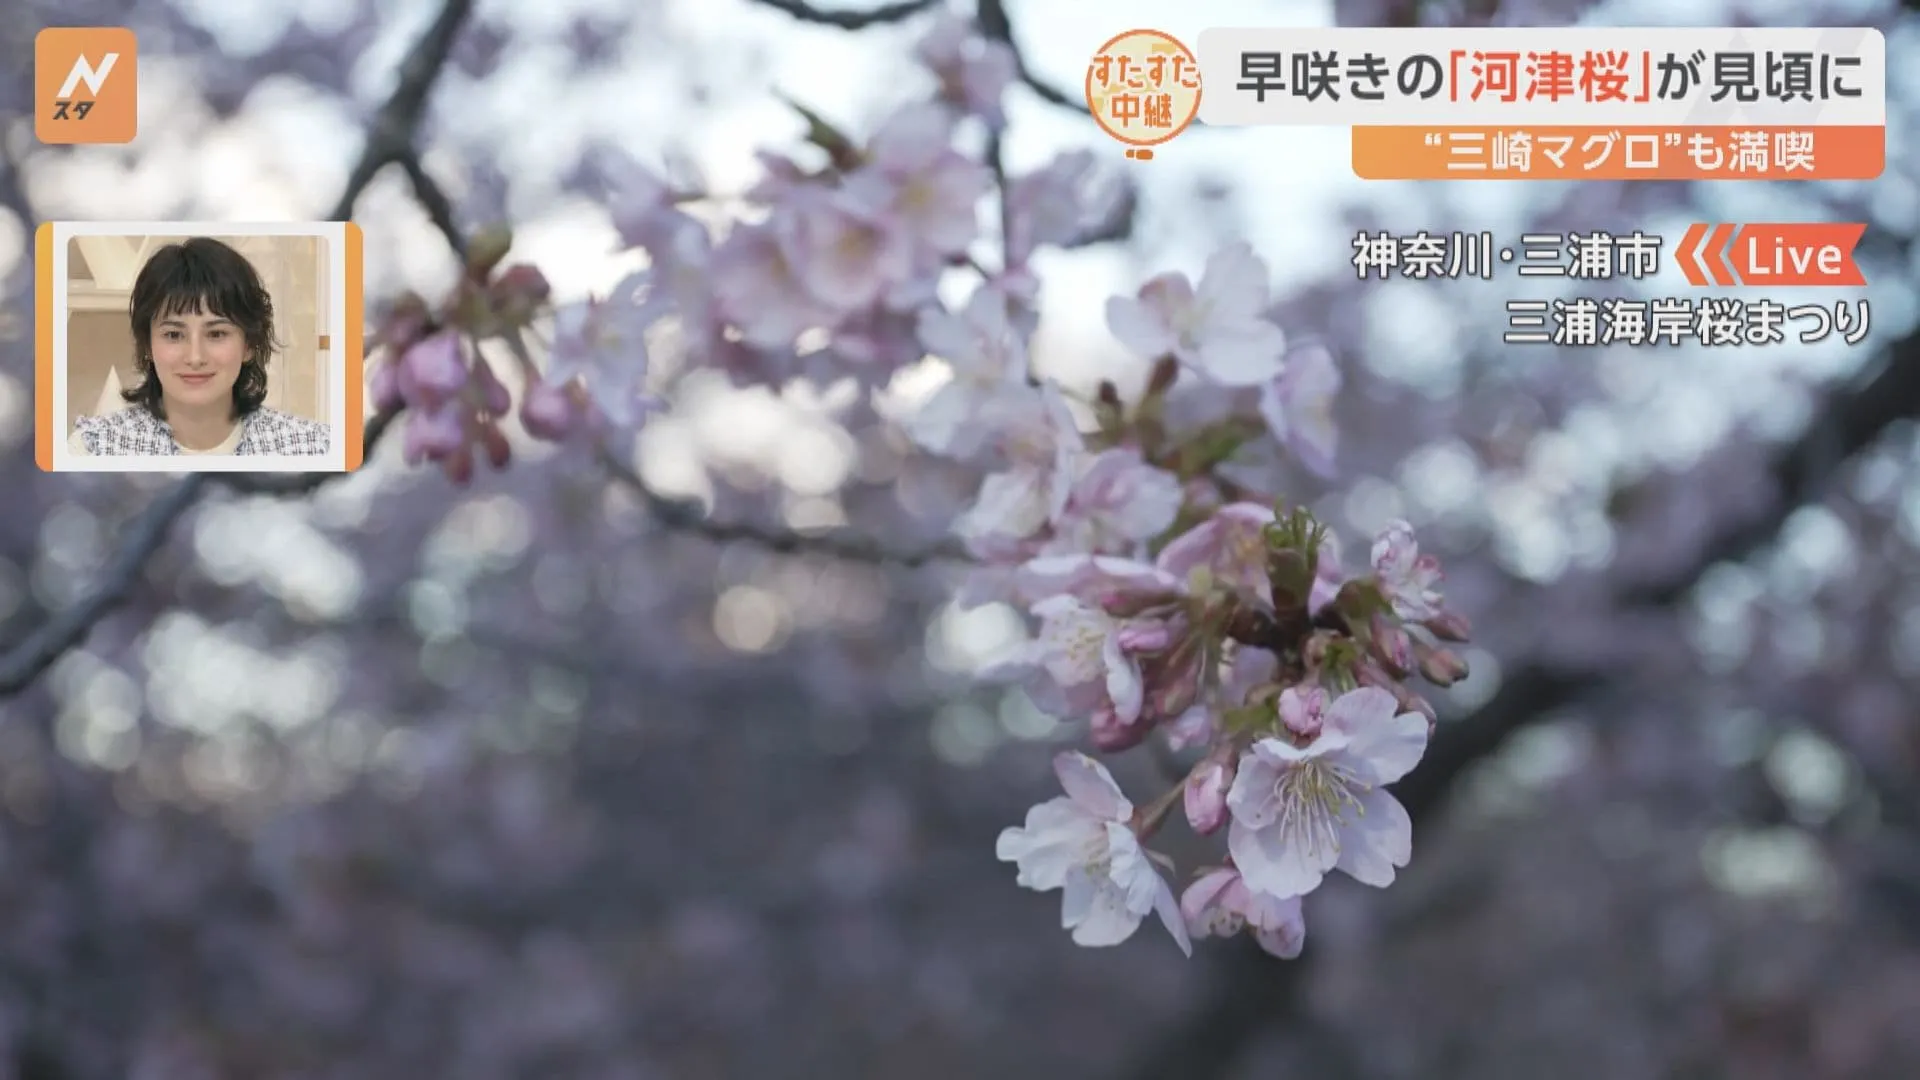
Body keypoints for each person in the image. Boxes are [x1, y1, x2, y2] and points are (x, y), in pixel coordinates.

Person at [69, 236, 331, 457]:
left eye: (216, 334)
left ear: (249, 344)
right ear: (147, 344)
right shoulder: (92, 447)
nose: (195, 357)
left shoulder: (312, 446)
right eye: (173, 335)